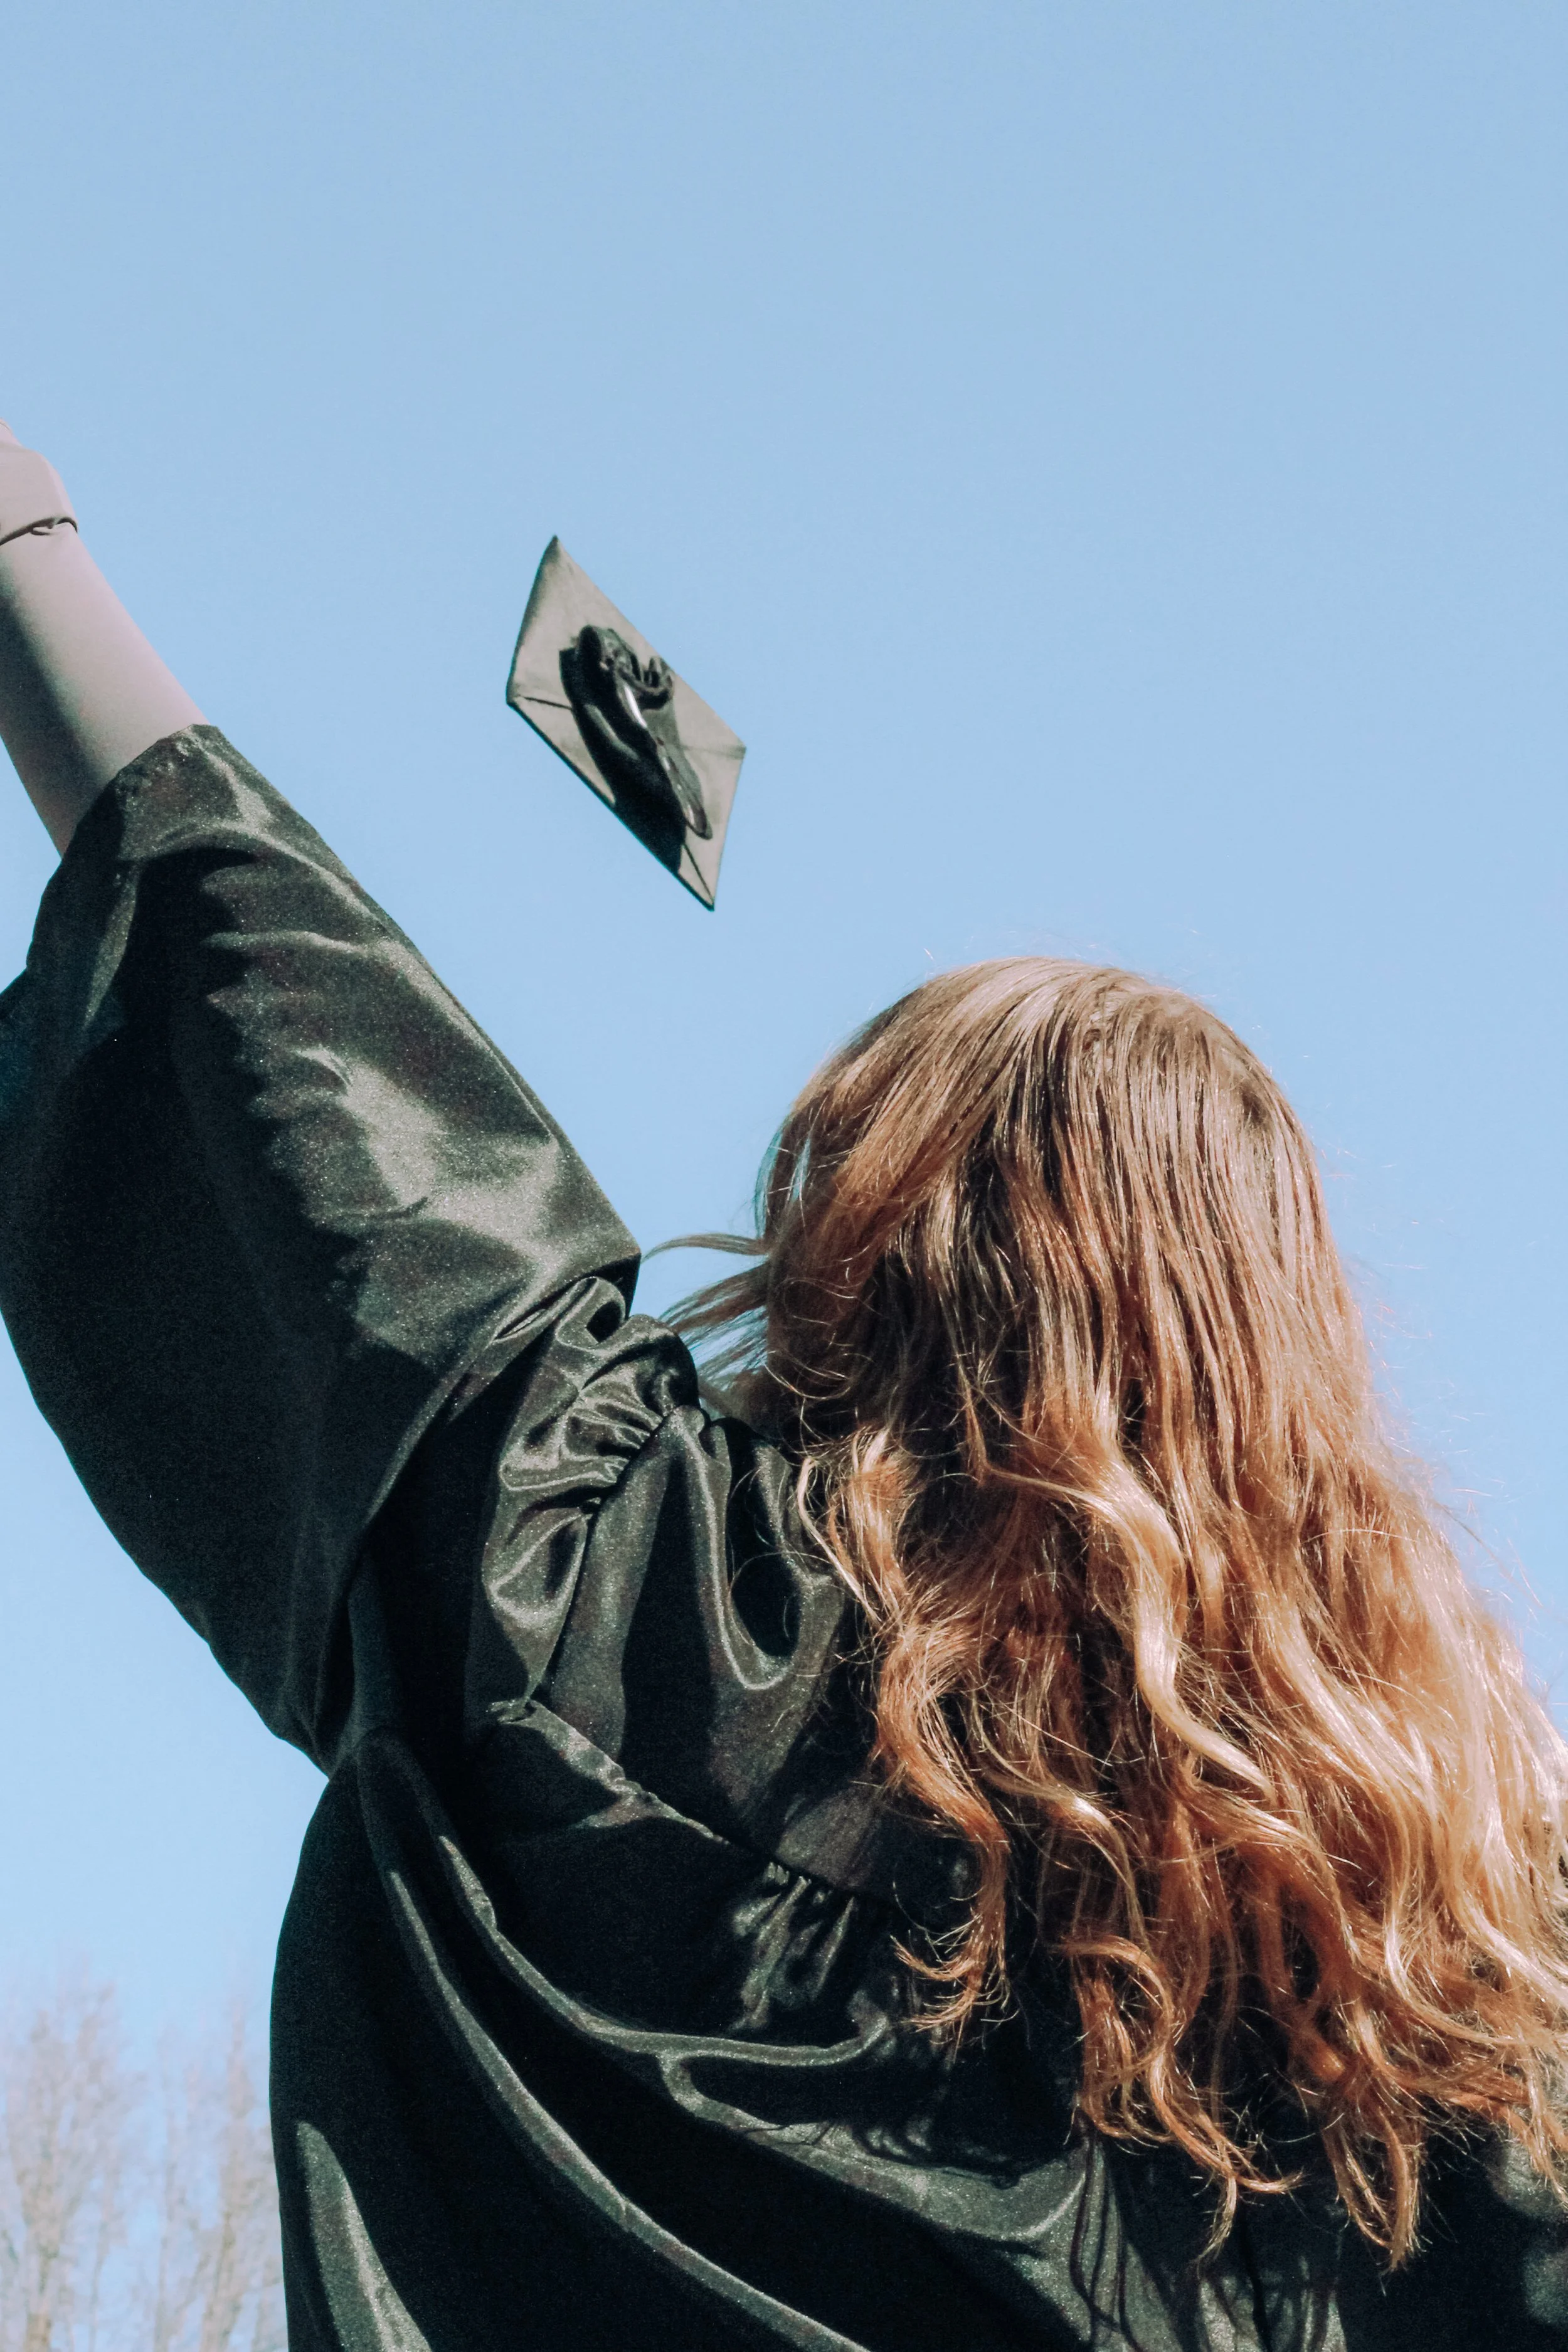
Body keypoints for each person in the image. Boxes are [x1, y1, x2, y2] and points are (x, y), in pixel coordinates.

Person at [1, 423, 1565, 2352]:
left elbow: (287, 1029)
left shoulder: (607, 1583)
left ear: (869, 1233)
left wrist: (23, 540)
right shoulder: (1431, 1964)